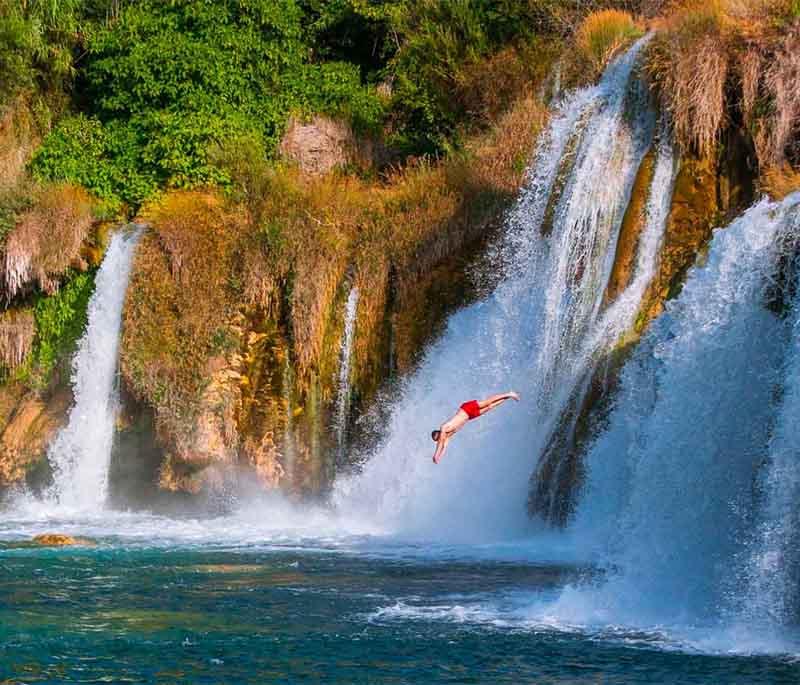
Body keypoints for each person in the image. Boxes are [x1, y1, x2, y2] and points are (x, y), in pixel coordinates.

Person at [431, 391, 520, 464]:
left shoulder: (443, 428)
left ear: (439, 433)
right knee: (489, 407)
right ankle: (508, 398)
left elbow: (440, 444)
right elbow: (444, 447)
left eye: (438, 438)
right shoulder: (447, 437)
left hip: (466, 409)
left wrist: (436, 454)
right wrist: (438, 458)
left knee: (487, 402)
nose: (439, 439)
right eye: (437, 440)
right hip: (469, 417)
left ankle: (509, 393)